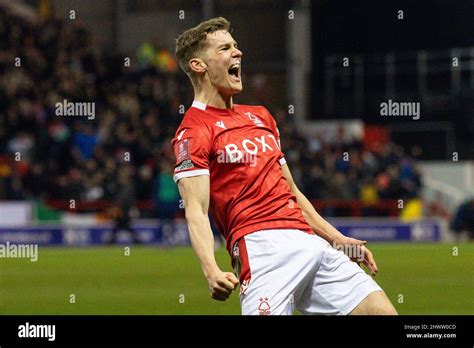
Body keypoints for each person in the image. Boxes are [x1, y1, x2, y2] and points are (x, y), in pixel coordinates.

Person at [171, 17, 397, 315]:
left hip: (309, 241)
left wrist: (338, 239)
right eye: (225, 48)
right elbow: (196, 211)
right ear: (199, 65)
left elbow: (291, 191)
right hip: (263, 250)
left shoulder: (261, 117)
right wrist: (211, 270)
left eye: (236, 46)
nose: (238, 53)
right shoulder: (193, 131)